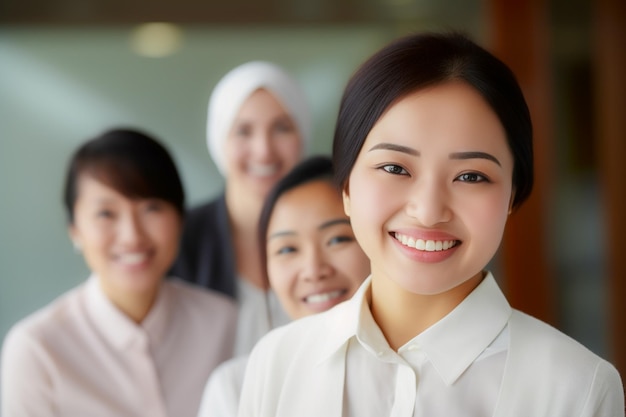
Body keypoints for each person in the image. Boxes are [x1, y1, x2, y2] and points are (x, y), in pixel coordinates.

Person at [237, 32, 625, 417]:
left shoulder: (577, 388)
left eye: (471, 176)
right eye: (394, 168)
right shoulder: (277, 363)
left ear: (512, 195)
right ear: (346, 188)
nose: (428, 211)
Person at [1, 128, 238, 417]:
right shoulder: (37, 350)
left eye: (151, 208)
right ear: (74, 229)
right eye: (106, 213)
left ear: (180, 218)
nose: (132, 236)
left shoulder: (223, 321)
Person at [195, 155, 371, 417]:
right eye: (288, 249)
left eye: (336, 240)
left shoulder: (415, 370)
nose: (313, 270)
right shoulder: (236, 387)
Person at [171, 61, 311, 356]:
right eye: (243, 131)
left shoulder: (340, 230)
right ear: (219, 138)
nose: (263, 150)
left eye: (282, 128)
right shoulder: (181, 238)